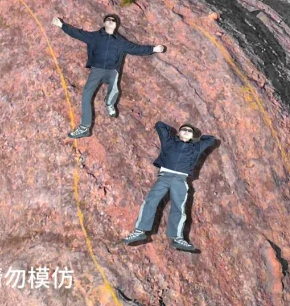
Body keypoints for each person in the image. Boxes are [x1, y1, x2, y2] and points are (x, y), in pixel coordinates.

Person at [53, 14, 166, 138]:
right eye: (109, 20)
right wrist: (62, 25)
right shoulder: (95, 37)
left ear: (116, 25)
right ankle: (84, 127)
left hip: (112, 70)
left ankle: (109, 104)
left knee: (114, 87)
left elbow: (136, 48)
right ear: (104, 23)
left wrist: (153, 49)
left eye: (114, 21)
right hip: (97, 70)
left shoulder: (121, 41)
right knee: (86, 95)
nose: (111, 21)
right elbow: (78, 33)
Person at [121, 121, 217, 254]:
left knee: (179, 207)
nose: (186, 132)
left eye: (190, 131)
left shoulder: (196, 147)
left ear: (193, 136)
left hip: (180, 179)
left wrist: (195, 140)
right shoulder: (169, 142)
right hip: (164, 177)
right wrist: (173, 134)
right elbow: (160, 125)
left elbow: (210, 139)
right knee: (150, 201)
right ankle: (139, 231)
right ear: (179, 132)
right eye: (184, 130)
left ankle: (177, 238)